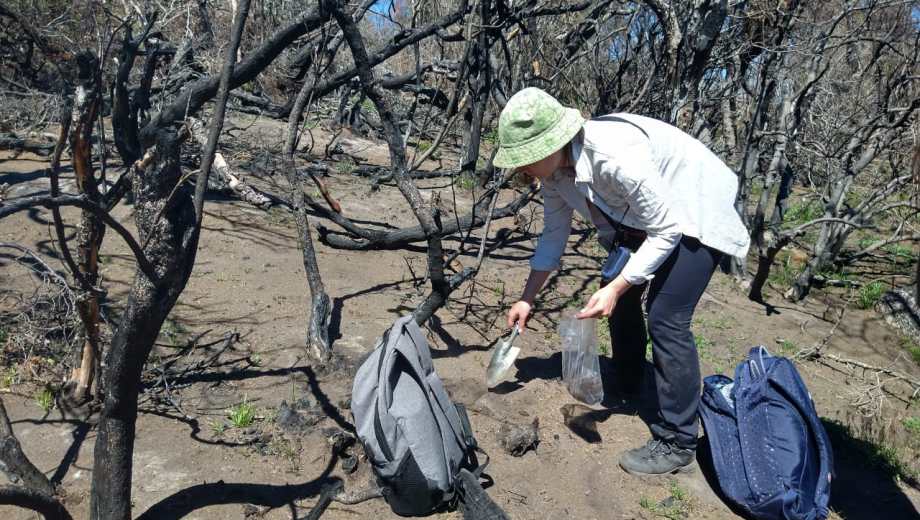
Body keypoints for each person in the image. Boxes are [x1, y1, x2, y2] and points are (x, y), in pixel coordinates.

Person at [494, 87, 750, 475]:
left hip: (694, 209)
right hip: (643, 218)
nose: (522, 169)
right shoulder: (554, 174)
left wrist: (616, 288)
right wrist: (527, 297)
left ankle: (677, 441)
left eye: (526, 158)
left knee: (666, 316)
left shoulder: (613, 157)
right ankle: (628, 382)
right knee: (616, 289)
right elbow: (553, 235)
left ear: (553, 143)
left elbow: (667, 228)